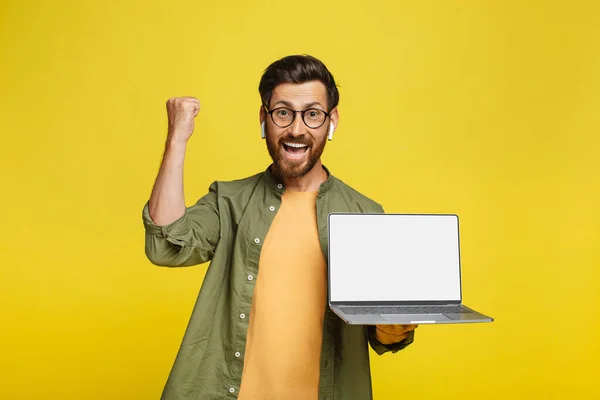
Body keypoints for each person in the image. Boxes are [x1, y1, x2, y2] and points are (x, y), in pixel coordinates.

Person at [142, 54, 417, 400]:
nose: (297, 129)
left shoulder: (365, 215)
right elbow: (167, 244)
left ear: (332, 122)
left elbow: (384, 335)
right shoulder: (230, 202)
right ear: (264, 118)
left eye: (313, 114)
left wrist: (396, 325)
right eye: (283, 112)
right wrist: (177, 137)